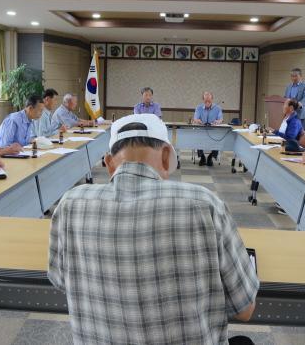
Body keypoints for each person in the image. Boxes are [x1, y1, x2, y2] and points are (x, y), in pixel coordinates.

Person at [48, 114, 258, 344]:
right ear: (166, 156)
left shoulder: (70, 205)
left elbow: (61, 281)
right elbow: (245, 309)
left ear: (109, 163)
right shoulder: (204, 204)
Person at [193, 91, 224, 166]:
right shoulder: (199, 108)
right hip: (202, 130)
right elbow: (195, 118)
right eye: (205, 101)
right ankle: (202, 157)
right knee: (197, 137)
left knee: (218, 139)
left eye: (209, 101)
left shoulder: (218, 108)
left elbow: (220, 119)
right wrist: (198, 120)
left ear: (212, 99)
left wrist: (218, 121)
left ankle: (211, 157)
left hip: (214, 130)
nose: (207, 102)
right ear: (203, 100)